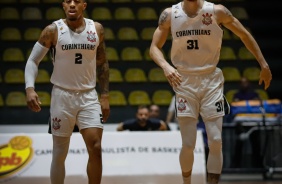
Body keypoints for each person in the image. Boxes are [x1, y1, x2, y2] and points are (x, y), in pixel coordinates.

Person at [149, 0, 272, 183]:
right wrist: (166, 66)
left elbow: (244, 35)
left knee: (215, 140)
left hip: (211, 80)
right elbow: (154, 47)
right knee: (188, 144)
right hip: (183, 80)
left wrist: (263, 63)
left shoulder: (217, 11)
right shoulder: (169, 14)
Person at [24, 0, 110, 184]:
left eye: (76, 1)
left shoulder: (97, 29)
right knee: (60, 152)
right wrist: (29, 88)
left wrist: (105, 95)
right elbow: (33, 60)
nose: (72, 4)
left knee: (96, 147)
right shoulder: (52, 30)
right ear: (63, 5)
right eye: (67, 1)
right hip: (62, 96)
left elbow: (102, 63)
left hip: (88, 95)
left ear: (84, 5)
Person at [231, 77, 263, 168]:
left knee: (256, 145)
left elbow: (259, 106)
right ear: (239, 84)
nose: (244, 84)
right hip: (241, 124)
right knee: (239, 145)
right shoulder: (236, 95)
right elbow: (235, 107)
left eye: (246, 82)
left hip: (254, 123)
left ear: (249, 84)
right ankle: (236, 166)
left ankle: (258, 166)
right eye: (242, 83)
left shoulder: (254, 94)